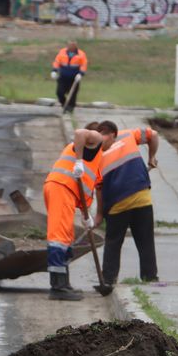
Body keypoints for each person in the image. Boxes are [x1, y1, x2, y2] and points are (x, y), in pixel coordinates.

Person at [43, 123, 118, 300]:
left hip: (63, 190)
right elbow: (79, 132)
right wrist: (77, 162)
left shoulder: (95, 161)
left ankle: (64, 284)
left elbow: (84, 190)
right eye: (112, 142)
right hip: (61, 187)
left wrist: (86, 216)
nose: (111, 147)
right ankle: (58, 288)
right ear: (108, 136)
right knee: (59, 238)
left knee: (65, 237)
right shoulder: (97, 140)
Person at [92, 121, 160, 285]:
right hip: (141, 197)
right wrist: (151, 156)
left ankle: (108, 279)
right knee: (145, 241)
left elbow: (99, 189)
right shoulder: (127, 134)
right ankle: (150, 278)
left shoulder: (95, 156)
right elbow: (154, 135)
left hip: (117, 205)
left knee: (113, 242)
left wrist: (99, 214)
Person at [50, 40, 88, 115]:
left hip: (74, 78)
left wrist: (81, 74)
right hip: (63, 77)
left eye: (73, 45)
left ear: (76, 46)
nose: (71, 47)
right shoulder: (62, 52)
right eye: (70, 45)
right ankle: (64, 105)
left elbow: (84, 64)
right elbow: (57, 61)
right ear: (67, 46)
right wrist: (54, 71)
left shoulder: (81, 54)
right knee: (59, 92)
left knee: (73, 94)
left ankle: (70, 108)